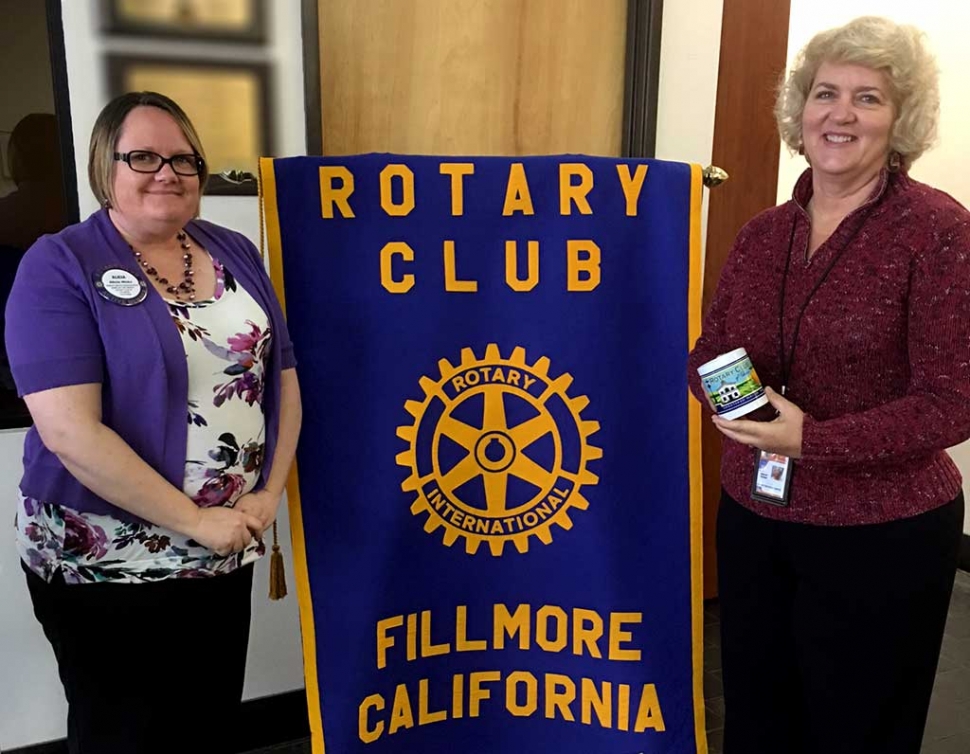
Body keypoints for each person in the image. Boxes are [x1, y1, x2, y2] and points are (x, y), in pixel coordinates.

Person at [688, 16, 970, 754]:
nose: (840, 114)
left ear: (899, 120)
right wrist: (723, 395)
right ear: (799, 111)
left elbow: (952, 400)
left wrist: (810, 438)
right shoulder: (763, 232)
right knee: (757, 717)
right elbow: (711, 349)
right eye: (825, 93)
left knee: (856, 729)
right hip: (754, 514)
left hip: (881, 534)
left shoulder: (938, 231)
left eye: (868, 98)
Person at [4, 91, 302, 753]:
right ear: (103, 166)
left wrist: (266, 495)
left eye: (184, 159)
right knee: (126, 736)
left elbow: (282, 376)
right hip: (107, 561)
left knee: (205, 723)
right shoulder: (58, 265)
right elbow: (69, 432)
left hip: (224, 545)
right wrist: (195, 519)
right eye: (142, 156)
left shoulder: (234, 250)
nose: (166, 172)